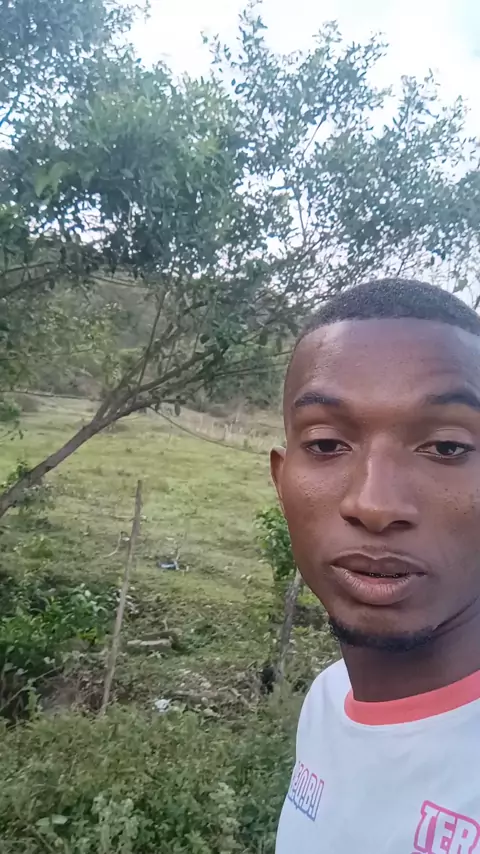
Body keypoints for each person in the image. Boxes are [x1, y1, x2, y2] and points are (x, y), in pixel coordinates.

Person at [272, 278, 480, 854]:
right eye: (325, 444)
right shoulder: (327, 701)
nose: (375, 504)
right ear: (281, 483)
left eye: (447, 447)